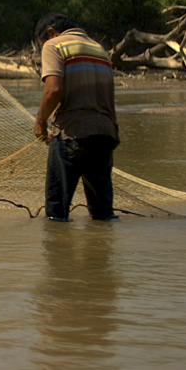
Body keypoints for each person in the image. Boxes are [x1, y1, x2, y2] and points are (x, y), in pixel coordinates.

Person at [33, 13, 120, 222]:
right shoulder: (100, 49)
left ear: (51, 33)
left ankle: (59, 252)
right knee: (103, 214)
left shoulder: (54, 45)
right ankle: (101, 252)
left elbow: (53, 89)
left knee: (56, 212)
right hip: (105, 135)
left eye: (42, 42)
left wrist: (40, 122)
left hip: (73, 134)